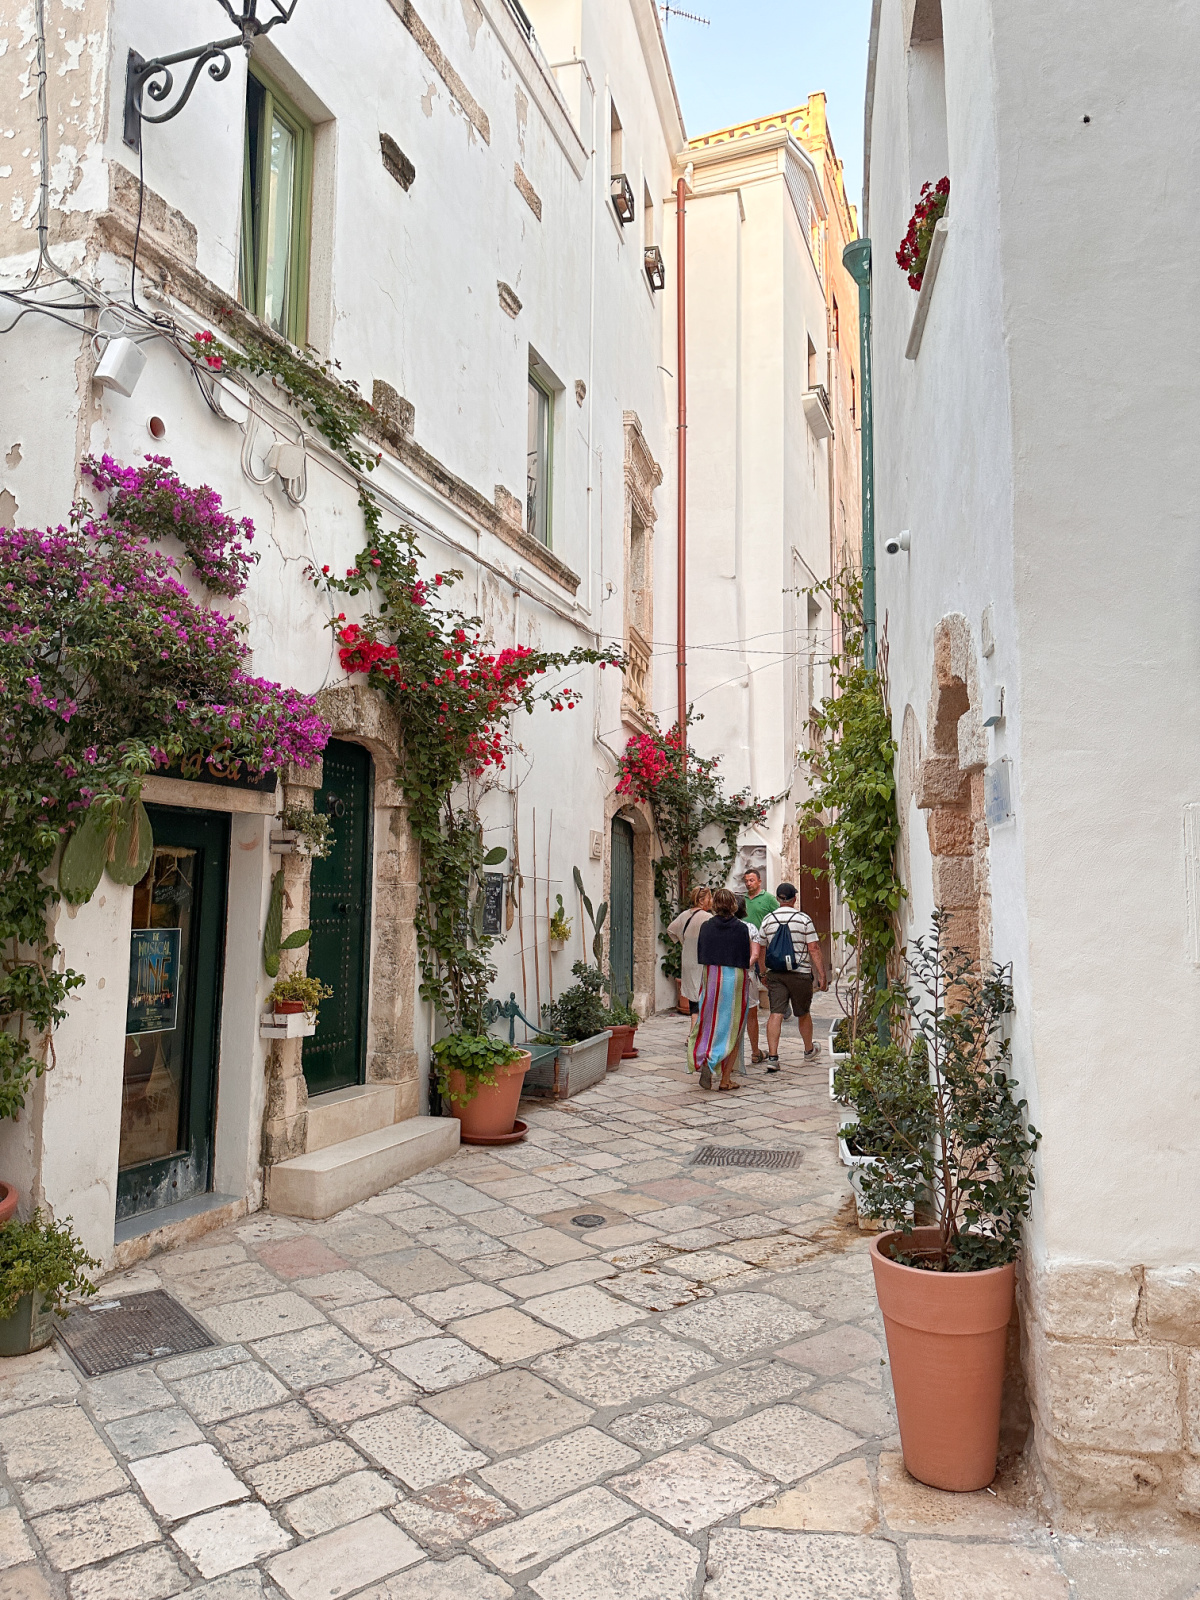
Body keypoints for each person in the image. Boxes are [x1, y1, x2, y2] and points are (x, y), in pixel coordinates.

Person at [759, 881, 827, 1069]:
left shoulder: (768, 919)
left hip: (776, 974)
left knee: (775, 1013)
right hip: (800, 974)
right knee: (803, 1013)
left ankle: (773, 1057)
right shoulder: (803, 919)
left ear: (778, 899)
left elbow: (761, 948)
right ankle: (808, 1050)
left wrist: (763, 972)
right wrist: (822, 974)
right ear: (794, 898)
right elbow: (813, 947)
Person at [689, 887, 752, 1091]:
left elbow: (701, 953)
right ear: (733, 905)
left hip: (712, 975)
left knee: (709, 1022)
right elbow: (745, 957)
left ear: (715, 905)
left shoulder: (706, 926)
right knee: (733, 1027)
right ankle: (725, 1079)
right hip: (734, 977)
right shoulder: (742, 928)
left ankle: (707, 1058)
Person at [666, 886, 713, 1014]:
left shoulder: (684, 915)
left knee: (693, 999)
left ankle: (693, 1028)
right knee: (703, 995)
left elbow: (670, 930)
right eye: (709, 897)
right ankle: (700, 1029)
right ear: (702, 900)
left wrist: (683, 941)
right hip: (701, 960)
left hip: (687, 958)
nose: (711, 900)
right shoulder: (708, 917)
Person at [736, 894, 766, 1064]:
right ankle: (755, 1051)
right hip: (747, 974)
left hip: (726, 973)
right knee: (751, 1014)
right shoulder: (750, 928)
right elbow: (755, 954)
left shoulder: (723, 927)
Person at [742, 866, 778, 931]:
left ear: (759, 882)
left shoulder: (769, 898)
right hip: (743, 937)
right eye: (746, 881)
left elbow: (779, 916)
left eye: (751, 880)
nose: (748, 884)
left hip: (761, 938)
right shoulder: (742, 899)